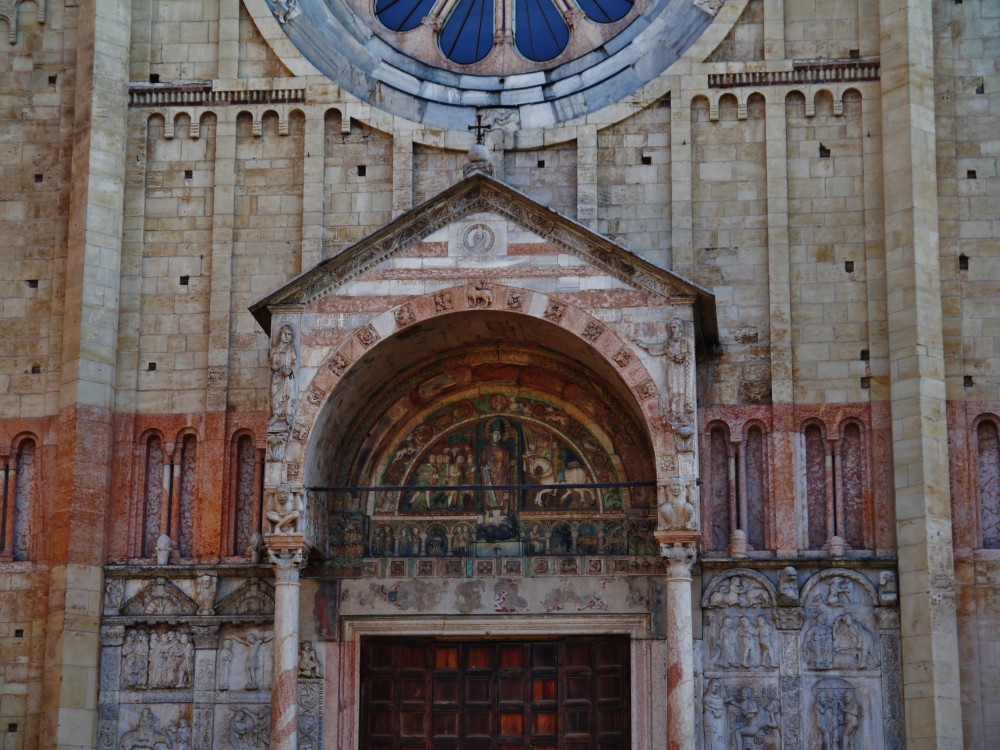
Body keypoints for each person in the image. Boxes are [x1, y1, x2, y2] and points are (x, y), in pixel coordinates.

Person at [268, 324, 297, 427]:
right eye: (285, 334)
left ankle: (287, 415)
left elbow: (294, 363)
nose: (286, 336)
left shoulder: (291, 349)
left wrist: (290, 370)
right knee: (274, 395)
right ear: (280, 335)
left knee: (288, 395)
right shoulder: (274, 349)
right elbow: (270, 362)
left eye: (289, 334)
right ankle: (275, 414)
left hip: (287, 377)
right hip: (277, 376)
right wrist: (275, 367)